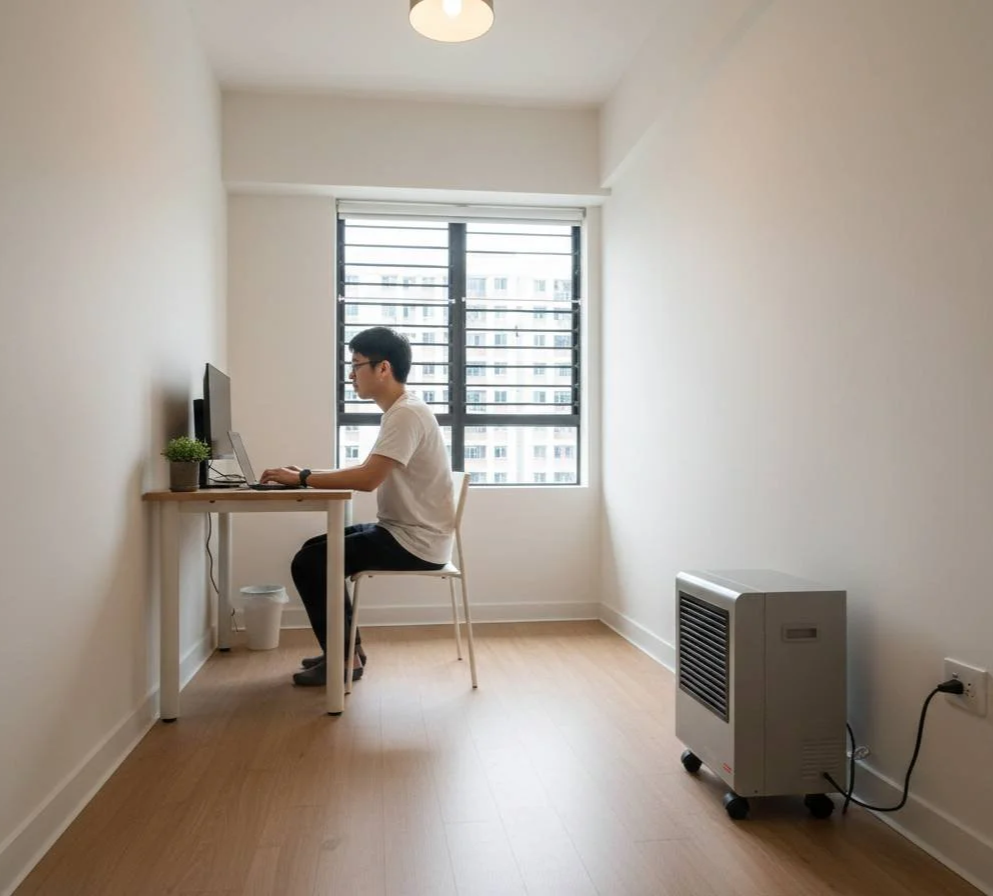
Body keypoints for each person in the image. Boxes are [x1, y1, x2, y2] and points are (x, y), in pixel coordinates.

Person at [261, 327, 455, 686]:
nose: (350, 375)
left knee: (310, 563)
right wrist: (304, 473)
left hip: (416, 542)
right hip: (404, 530)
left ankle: (344, 660)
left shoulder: (405, 415)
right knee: (314, 550)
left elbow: (367, 479)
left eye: (356, 365)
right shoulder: (402, 411)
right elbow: (367, 469)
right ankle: (348, 650)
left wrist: (302, 478)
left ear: (383, 368)